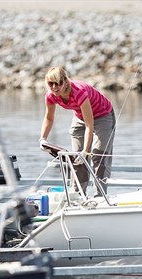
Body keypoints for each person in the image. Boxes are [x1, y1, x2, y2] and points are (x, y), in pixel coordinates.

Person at [39, 66, 116, 196]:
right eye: (50, 84)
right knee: (77, 158)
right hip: (80, 117)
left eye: (58, 83)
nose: (54, 87)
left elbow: (89, 125)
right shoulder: (51, 96)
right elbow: (49, 118)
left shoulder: (78, 92)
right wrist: (42, 139)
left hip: (103, 115)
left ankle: (100, 195)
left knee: (98, 156)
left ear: (65, 81)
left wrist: (86, 152)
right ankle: (78, 195)